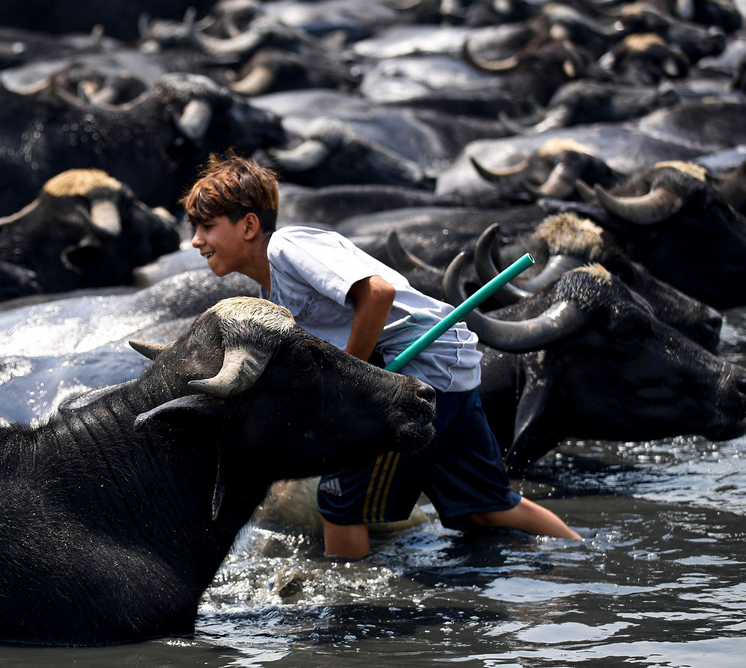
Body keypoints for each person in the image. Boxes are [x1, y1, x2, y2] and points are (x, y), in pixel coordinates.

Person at [180, 153, 581, 558]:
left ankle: (350, 614)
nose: (196, 241)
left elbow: (377, 293)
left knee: (339, 503)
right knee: (488, 507)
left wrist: (344, 387)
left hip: (421, 372)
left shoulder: (287, 246)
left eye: (207, 227)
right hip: (449, 366)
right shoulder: (270, 289)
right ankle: (581, 556)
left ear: (249, 225)